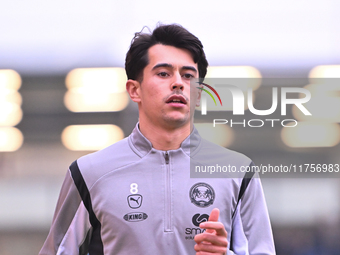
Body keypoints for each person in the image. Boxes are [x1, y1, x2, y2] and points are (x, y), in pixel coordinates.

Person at [39, 24, 275, 255]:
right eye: (163, 73)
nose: (178, 83)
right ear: (134, 90)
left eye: (188, 75)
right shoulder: (88, 173)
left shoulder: (238, 172)